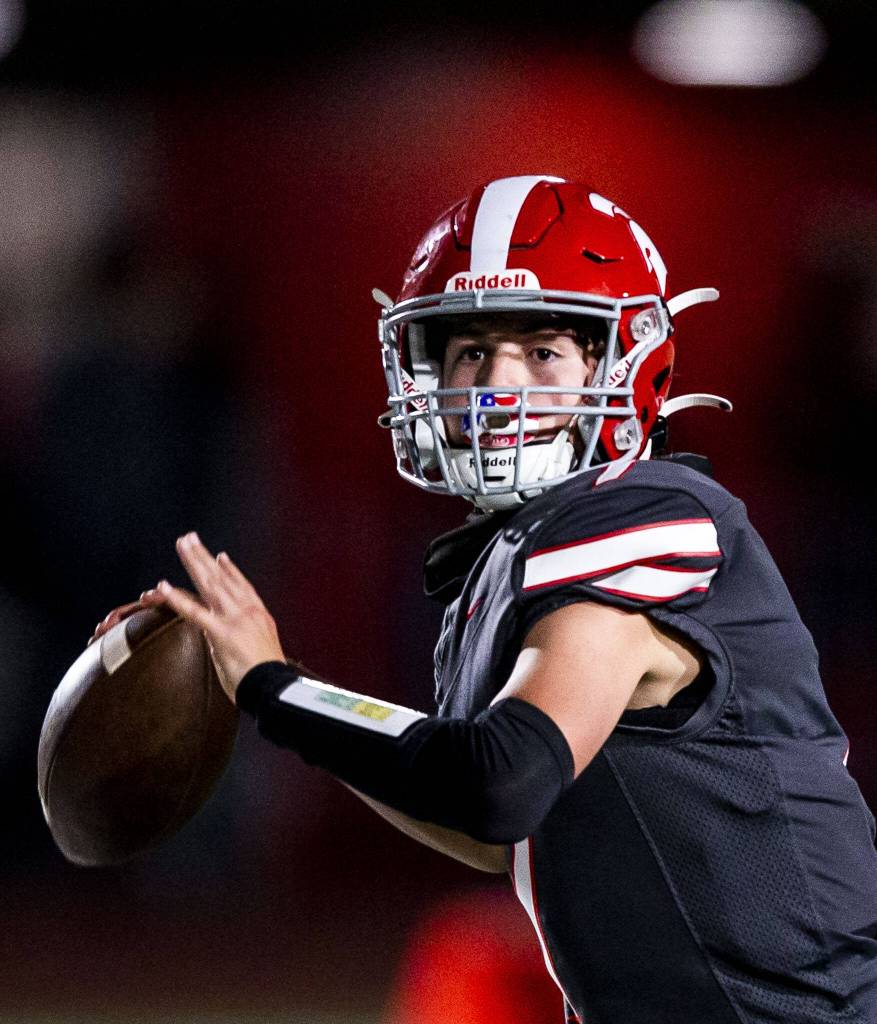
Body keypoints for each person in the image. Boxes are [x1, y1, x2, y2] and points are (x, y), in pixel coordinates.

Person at [91, 175, 877, 1023]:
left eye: (541, 351)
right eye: (471, 352)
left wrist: (277, 691)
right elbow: (494, 831)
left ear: (625, 361)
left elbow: (497, 782)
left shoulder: (644, 517)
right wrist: (284, 690)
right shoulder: (510, 557)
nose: (497, 388)